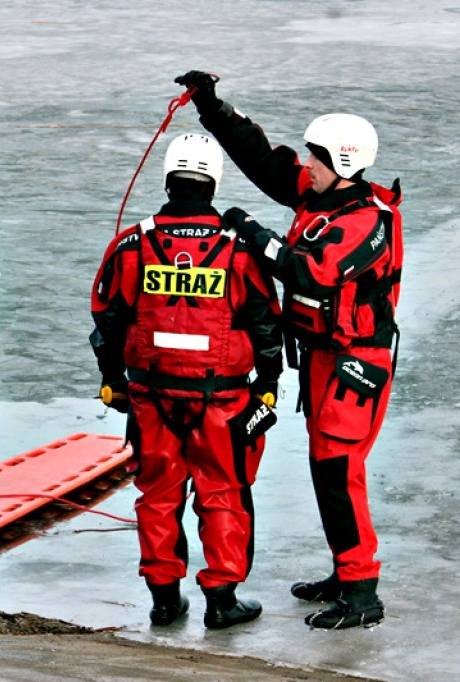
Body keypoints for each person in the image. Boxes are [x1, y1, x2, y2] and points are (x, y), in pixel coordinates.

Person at [175, 70, 403, 629]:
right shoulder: (321, 196)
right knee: (328, 469)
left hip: (356, 361)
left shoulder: (370, 220)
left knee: (337, 470)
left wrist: (251, 230)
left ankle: (362, 591)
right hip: (326, 357)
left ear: (344, 164)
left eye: (318, 160)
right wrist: (212, 108)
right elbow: (264, 161)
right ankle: (346, 574)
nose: (309, 167)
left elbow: (312, 272)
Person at [91, 132, 283, 629]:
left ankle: (163, 600)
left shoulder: (134, 242)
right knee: (222, 492)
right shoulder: (238, 248)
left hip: (151, 397)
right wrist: (269, 383)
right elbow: (265, 322)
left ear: (169, 179)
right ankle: (221, 600)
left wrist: (112, 381)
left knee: (157, 495)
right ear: (213, 183)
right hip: (222, 399)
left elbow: (107, 321)